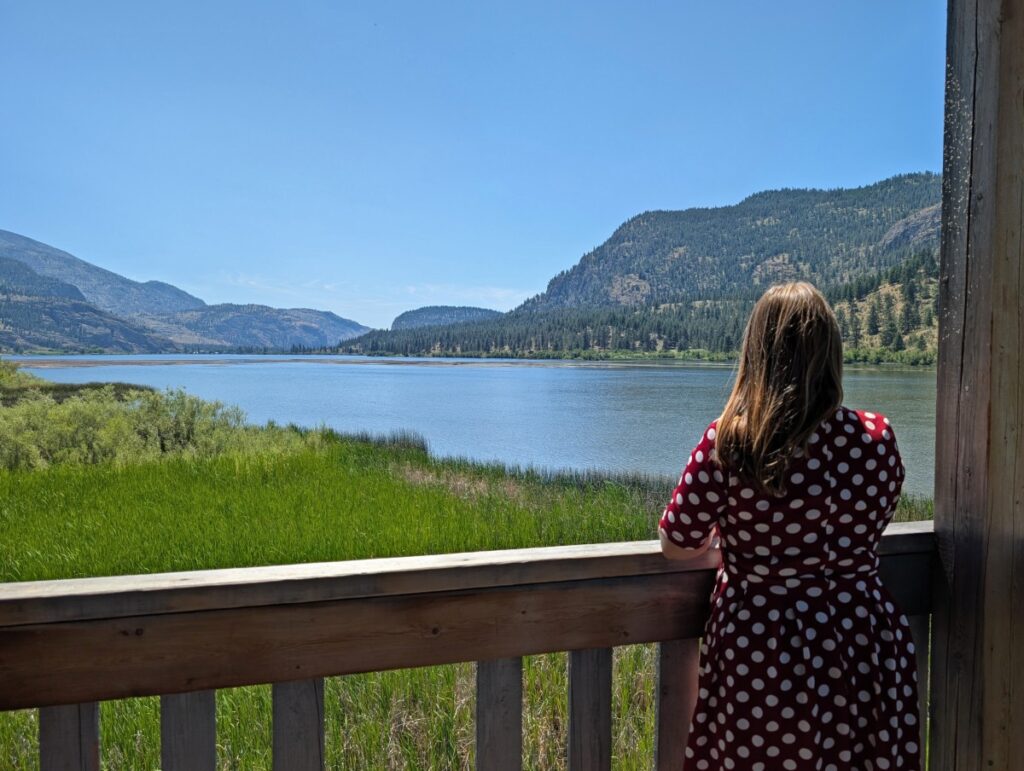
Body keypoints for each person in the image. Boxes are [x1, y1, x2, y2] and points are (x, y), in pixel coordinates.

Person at [659, 281, 920, 771]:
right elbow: (875, 519)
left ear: (756, 355)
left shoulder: (731, 443)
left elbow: (676, 543)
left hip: (762, 645)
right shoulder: (876, 438)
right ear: (831, 353)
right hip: (860, 635)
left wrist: (731, 543)